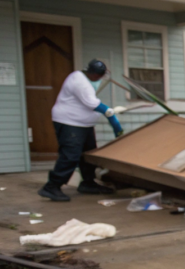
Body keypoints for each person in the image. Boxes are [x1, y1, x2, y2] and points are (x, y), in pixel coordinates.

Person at [38, 60, 123, 202]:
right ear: (93, 73)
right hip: (70, 123)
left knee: (88, 155)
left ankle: (88, 183)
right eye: (99, 76)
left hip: (83, 125)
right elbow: (91, 103)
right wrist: (110, 115)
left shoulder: (86, 79)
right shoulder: (79, 81)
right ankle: (51, 187)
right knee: (70, 155)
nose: (100, 79)